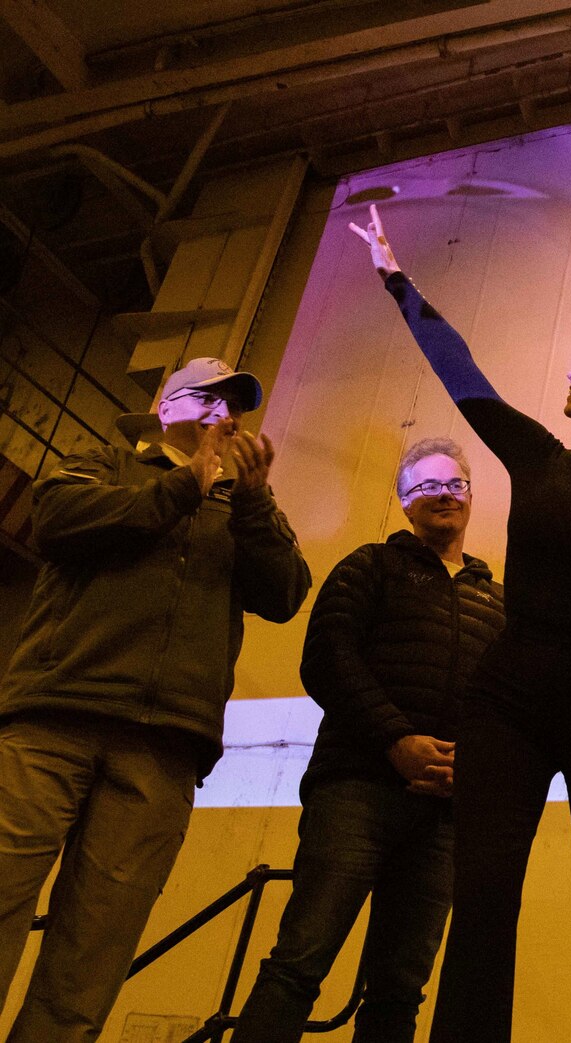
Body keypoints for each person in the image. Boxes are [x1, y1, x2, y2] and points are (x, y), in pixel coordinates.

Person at [349, 204, 571, 1043]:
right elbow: (460, 371)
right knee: (480, 908)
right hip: (506, 700)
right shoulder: (540, 458)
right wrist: (396, 278)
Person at [0, 357, 311, 1043]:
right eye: (208, 398)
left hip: (164, 749)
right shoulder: (103, 462)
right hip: (55, 720)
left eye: (233, 406)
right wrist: (181, 486)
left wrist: (253, 502)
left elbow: (286, 591)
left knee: (93, 954)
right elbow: (54, 517)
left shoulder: (242, 509)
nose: (223, 415)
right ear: (165, 405)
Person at [232, 437, 504, 1042]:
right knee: (298, 966)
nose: (443, 494)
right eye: (426, 485)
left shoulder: (496, 600)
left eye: (454, 483)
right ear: (404, 503)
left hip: (443, 816)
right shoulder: (368, 565)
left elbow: (502, 711)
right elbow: (328, 659)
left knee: (400, 991)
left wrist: (473, 768)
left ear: (470, 495)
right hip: (356, 791)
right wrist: (396, 741)